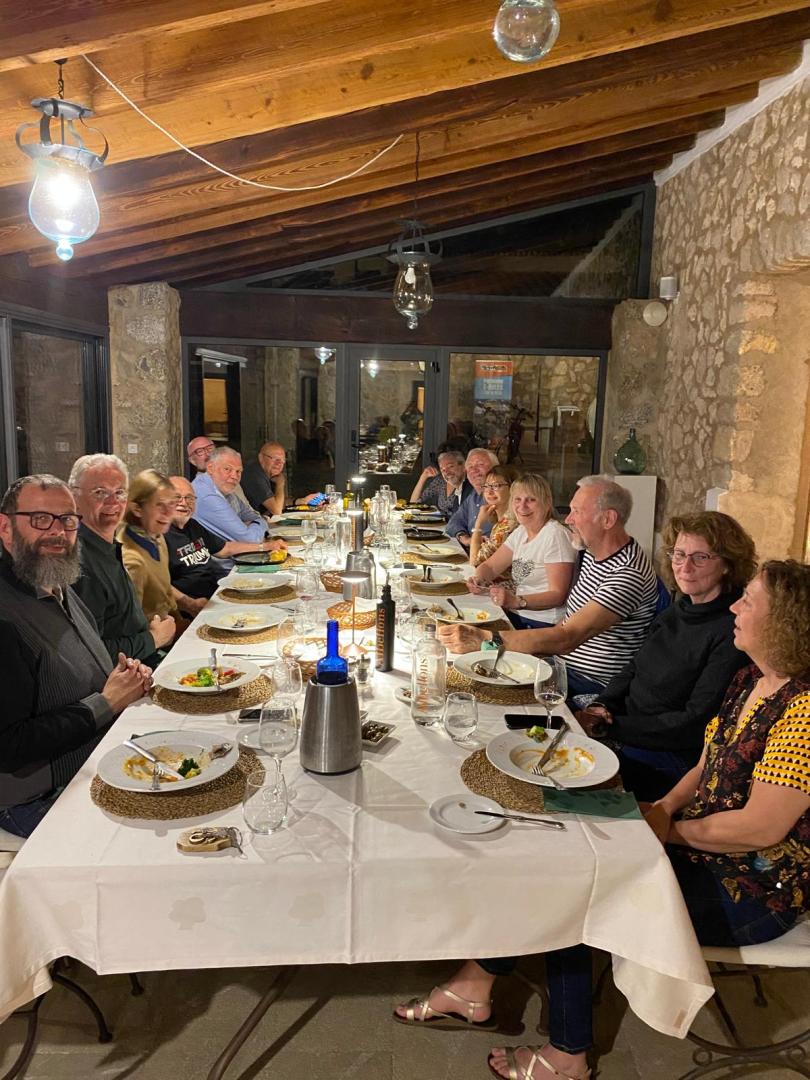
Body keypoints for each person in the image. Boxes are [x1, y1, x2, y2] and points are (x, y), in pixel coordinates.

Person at [399, 560, 810, 1080]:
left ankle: (566, 1055)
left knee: (577, 885)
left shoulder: (803, 712)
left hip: (754, 888)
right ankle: (476, 984)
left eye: (748, 600)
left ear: (784, 623)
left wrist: (666, 831)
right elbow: (705, 765)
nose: (734, 606)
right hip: (698, 843)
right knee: (557, 833)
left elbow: (761, 829)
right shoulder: (752, 678)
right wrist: (661, 809)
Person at [0, 475, 152, 838]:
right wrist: (107, 701)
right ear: (5, 528)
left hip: (100, 759)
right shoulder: (5, 617)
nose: (58, 532)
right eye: (40, 519)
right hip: (39, 797)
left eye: (67, 520)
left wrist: (124, 677)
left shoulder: (58, 586)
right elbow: (9, 745)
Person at [577, 511, 756, 800]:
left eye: (700, 557)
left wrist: (609, 727)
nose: (685, 567)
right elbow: (634, 667)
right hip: (626, 728)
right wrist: (602, 705)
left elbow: (694, 723)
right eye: (679, 554)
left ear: (727, 564)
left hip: (668, 755)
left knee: (564, 781)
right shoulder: (679, 609)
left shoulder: (730, 631)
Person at [438, 475, 658, 699]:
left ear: (608, 519)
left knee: (468, 694)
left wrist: (486, 639)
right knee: (459, 674)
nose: (569, 519)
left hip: (586, 683)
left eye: (577, 512)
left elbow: (567, 637)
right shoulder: (596, 554)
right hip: (559, 664)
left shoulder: (627, 574)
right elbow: (568, 622)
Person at [70, 454, 176, 666]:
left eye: (119, 492)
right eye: (100, 492)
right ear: (74, 499)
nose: (112, 502)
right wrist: (154, 638)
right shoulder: (80, 563)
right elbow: (90, 653)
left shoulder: (111, 546)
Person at [469, 472, 575, 628]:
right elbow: (490, 567)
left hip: (543, 622)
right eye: (517, 499)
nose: (522, 506)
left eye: (531, 500)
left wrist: (516, 601)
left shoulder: (555, 535)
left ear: (547, 503)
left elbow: (558, 595)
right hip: (517, 614)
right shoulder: (522, 531)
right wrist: (478, 579)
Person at [166, 477, 282, 600]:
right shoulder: (161, 535)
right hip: (190, 604)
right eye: (177, 497)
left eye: (189, 498)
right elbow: (160, 585)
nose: (184, 503)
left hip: (215, 594)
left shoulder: (193, 525)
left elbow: (225, 549)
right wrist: (189, 604)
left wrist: (266, 546)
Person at [118, 469, 188, 622]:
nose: (168, 512)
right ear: (137, 509)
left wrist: (189, 607)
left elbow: (165, 593)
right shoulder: (132, 561)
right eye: (159, 505)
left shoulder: (157, 536)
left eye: (171, 503)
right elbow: (132, 623)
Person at [193, 446, 272, 544]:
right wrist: (261, 523)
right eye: (227, 469)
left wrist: (254, 523)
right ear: (210, 468)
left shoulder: (224, 489)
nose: (234, 476)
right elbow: (250, 540)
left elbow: (253, 516)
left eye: (238, 471)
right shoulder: (208, 495)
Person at [241, 442, 320, 518]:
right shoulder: (254, 475)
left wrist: (301, 501)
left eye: (282, 460)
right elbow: (276, 510)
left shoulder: (267, 474)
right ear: (261, 458)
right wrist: (280, 484)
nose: (278, 463)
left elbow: (277, 502)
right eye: (275, 458)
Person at [445, 448, 500, 549]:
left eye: (480, 464)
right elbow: (453, 523)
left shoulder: (500, 497)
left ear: (496, 468)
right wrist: (465, 539)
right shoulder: (473, 495)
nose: (474, 470)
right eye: (470, 466)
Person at [469, 465, 518, 568]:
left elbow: (475, 562)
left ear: (512, 488)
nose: (489, 491)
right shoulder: (503, 520)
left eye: (496, 486)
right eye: (486, 486)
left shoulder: (508, 525)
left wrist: (478, 525)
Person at [410, 449, 472, 515]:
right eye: (443, 470)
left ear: (463, 465)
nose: (447, 472)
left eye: (450, 466)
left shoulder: (471, 484)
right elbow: (413, 503)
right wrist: (423, 477)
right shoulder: (441, 481)